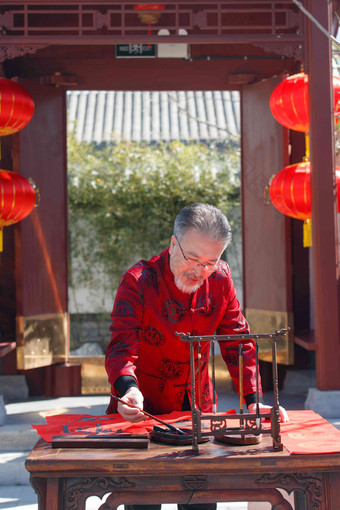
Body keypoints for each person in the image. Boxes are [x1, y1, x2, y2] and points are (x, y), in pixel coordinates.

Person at [105, 203, 288, 510]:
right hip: (143, 404)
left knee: (200, 497)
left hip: (198, 405)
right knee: (143, 499)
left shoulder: (219, 279)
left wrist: (253, 398)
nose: (200, 271)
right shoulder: (138, 281)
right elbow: (122, 345)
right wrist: (128, 389)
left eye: (210, 262)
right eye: (192, 258)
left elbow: (238, 342)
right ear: (173, 242)